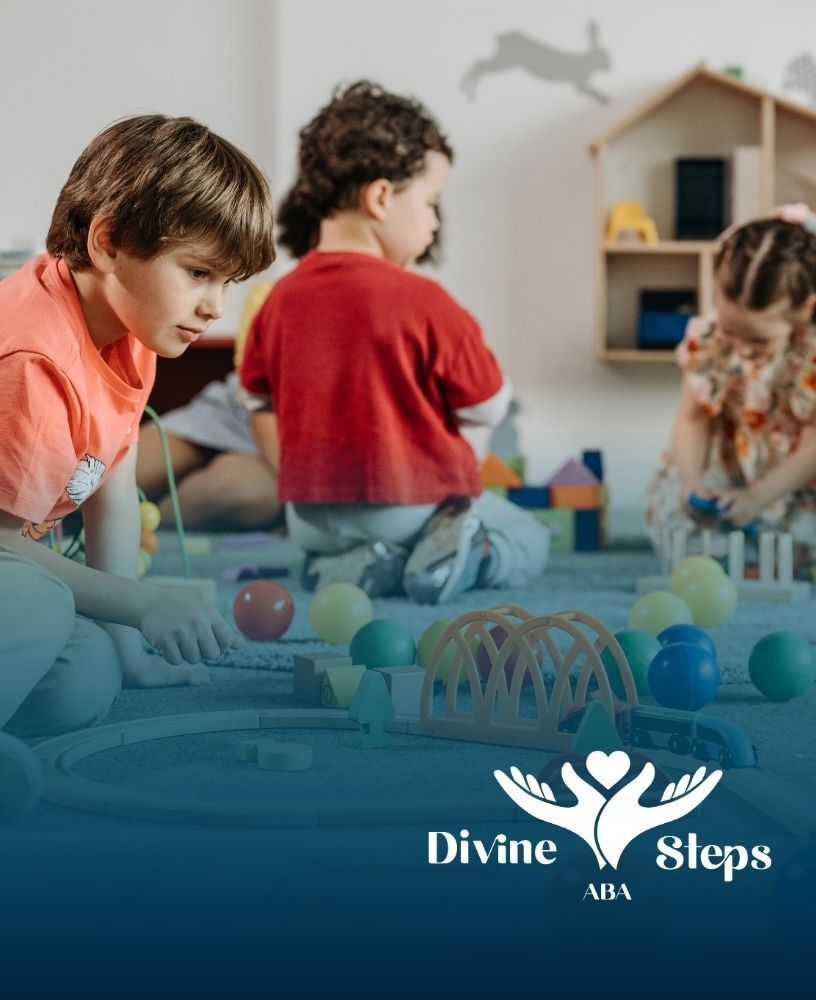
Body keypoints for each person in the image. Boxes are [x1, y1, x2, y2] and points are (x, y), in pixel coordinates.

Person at [0, 114, 275, 737]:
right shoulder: (34, 358)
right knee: (43, 602)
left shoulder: (134, 329)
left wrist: (127, 646)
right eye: (198, 273)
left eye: (226, 282)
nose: (214, 306)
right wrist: (141, 601)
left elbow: (113, 493)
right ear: (108, 242)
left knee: (88, 675)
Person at [240, 80, 548, 603]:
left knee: (341, 538)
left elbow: (258, 401)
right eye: (430, 203)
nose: (432, 224)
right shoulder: (424, 299)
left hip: (309, 517)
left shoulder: (277, 301)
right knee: (529, 537)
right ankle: (457, 556)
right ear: (381, 197)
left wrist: (297, 470)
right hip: (409, 507)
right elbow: (491, 404)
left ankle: (345, 567)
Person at [644, 206, 816, 567]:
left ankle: (760, 542)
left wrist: (758, 497)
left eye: (758, 341)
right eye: (731, 330)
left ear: (804, 309)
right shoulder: (707, 341)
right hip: (726, 468)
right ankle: (742, 541)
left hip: (794, 478)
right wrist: (692, 482)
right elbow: (692, 421)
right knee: (674, 524)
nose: (741, 348)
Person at [135, 282, 282, 533]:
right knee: (112, 472)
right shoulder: (273, 294)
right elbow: (257, 395)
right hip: (233, 411)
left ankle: (146, 522)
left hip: (284, 443)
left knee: (238, 493)